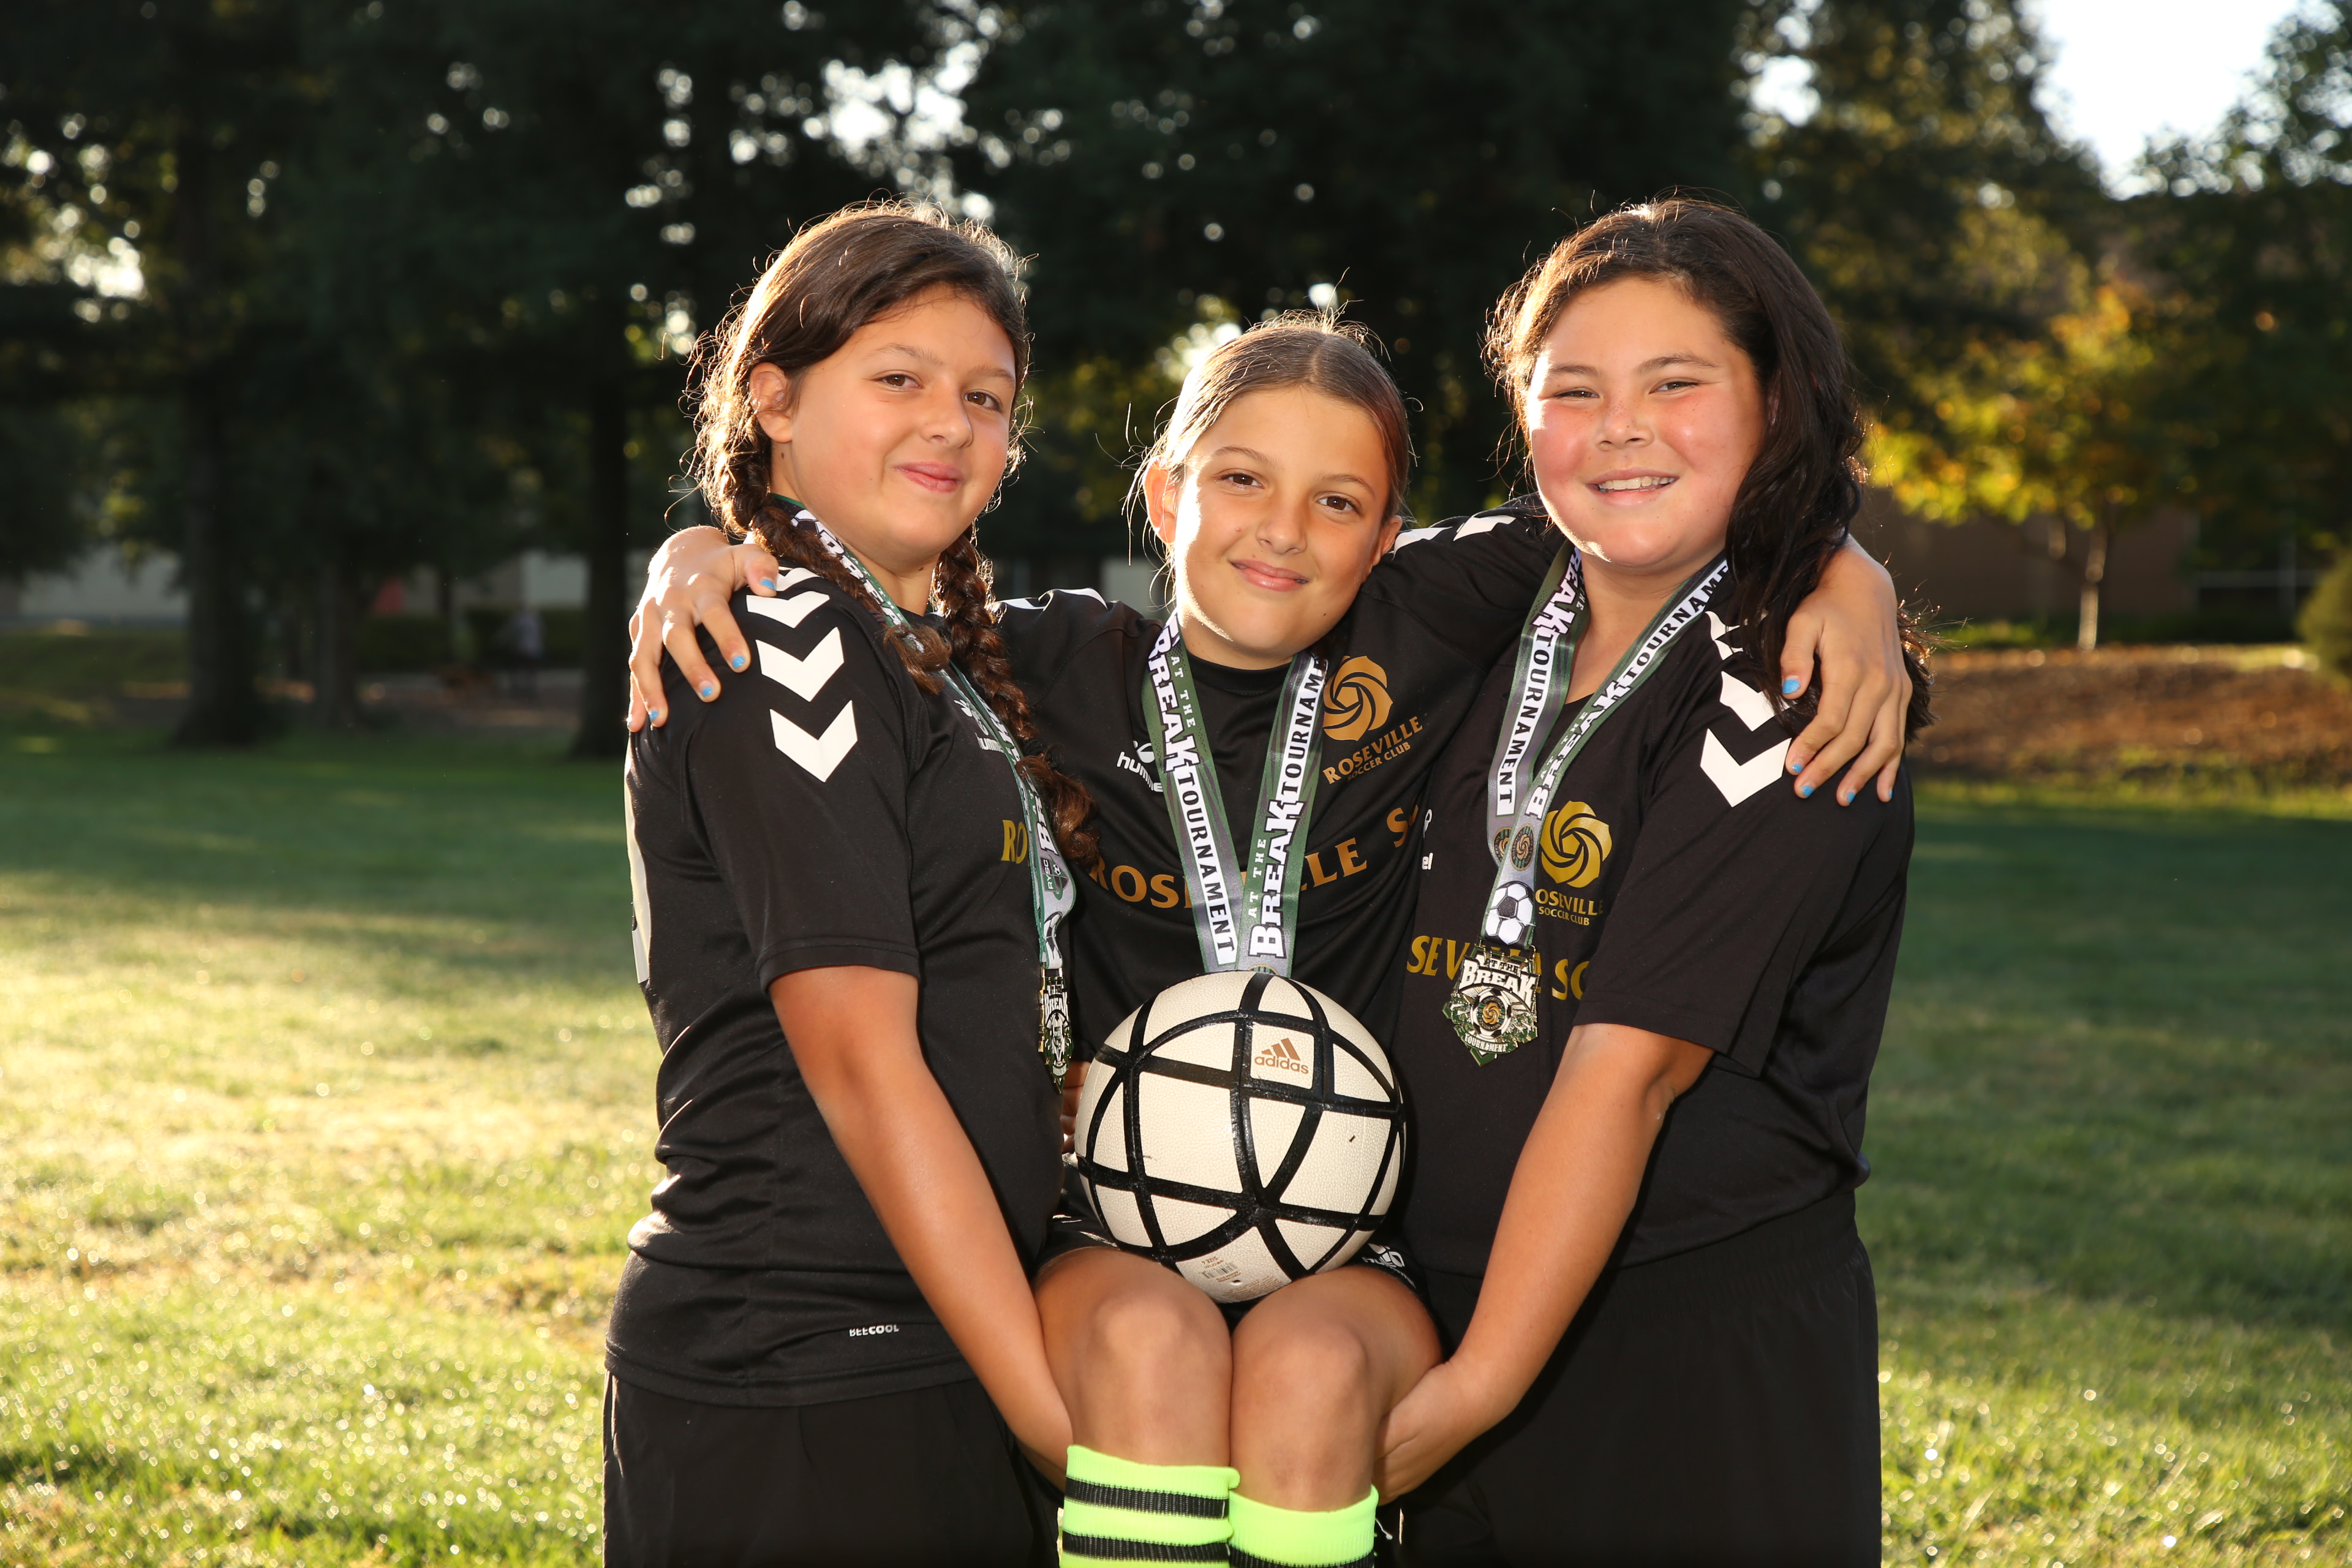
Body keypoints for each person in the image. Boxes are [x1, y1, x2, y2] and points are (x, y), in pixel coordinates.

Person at [630, 312, 1914, 1567]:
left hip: (1354, 1228)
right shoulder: (1042, 662)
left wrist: (1847, 571)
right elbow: (852, 601)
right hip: (1111, 1219)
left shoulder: (1432, 618)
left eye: (1338, 502)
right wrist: (699, 550)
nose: (1284, 530)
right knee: (1145, 1354)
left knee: (1314, 1370)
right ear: (1164, 493)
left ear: (1388, 538)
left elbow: (1656, 501)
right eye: (1241, 480)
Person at [1373, 198, 1934, 1566]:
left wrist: (1479, 1386)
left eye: (1676, 384)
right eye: (1574, 392)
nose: (1620, 428)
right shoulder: (1481, 600)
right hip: (1420, 1299)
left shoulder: (1793, 689)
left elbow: (1627, 1075)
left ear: (1776, 403)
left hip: (1676, 1334)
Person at [607, 201, 1094, 1567]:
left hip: (925, 1335)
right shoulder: (790, 642)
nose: (950, 422)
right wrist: (1046, 1413)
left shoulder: (928, 652)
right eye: (899, 377)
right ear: (773, 397)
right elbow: (863, 1068)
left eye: (986, 396)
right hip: (809, 1357)